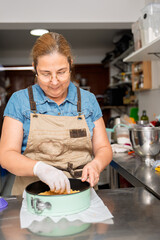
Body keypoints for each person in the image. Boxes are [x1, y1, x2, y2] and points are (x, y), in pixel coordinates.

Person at [0, 32, 112, 195]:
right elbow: (6, 155)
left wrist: (96, 164)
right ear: (35, 68)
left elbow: (103, 147)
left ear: (70, 64)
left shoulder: (88, 100)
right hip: (33, 196)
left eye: (61, 72)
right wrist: (39, 168)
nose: (54, 81)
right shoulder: (20, 101)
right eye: (45, 74)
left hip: (81, 193)